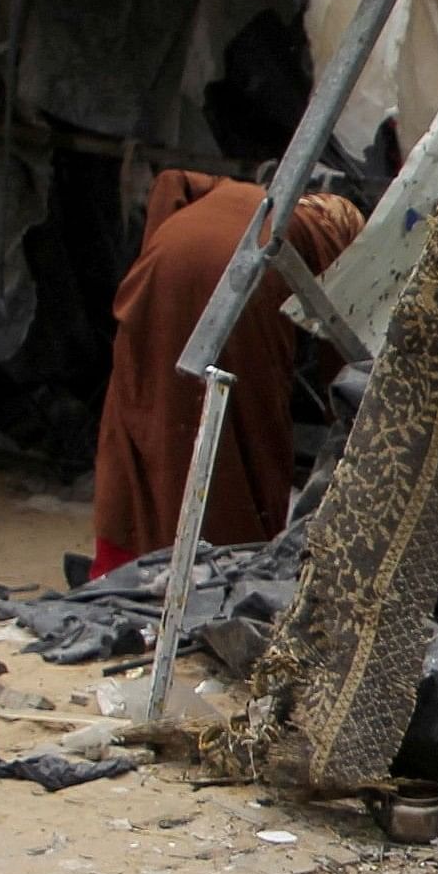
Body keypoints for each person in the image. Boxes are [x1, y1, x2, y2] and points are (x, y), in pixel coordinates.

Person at [89, 170, 366, 578]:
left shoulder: (235, 192)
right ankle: (229, 567)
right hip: (240, 278)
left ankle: (118, 565)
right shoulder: (333, 231)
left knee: (142, 411)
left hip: (159, 267)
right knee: (244, 434)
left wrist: (157, 247)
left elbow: (169, 182)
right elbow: (345, 362)